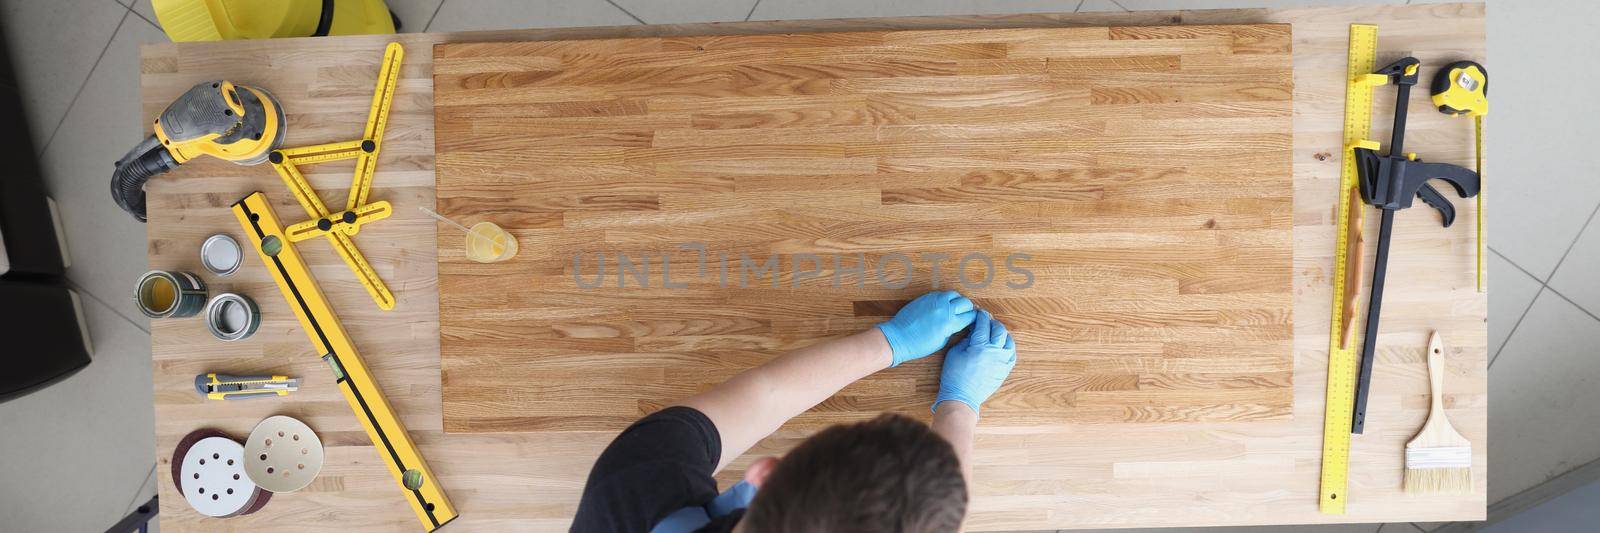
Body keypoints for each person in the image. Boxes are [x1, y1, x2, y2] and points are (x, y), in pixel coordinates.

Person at [572, 290, 1018, 532]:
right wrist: (961, 405)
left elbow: (767, 396)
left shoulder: (630, 499)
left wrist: (891, 341)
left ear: (764, 473)